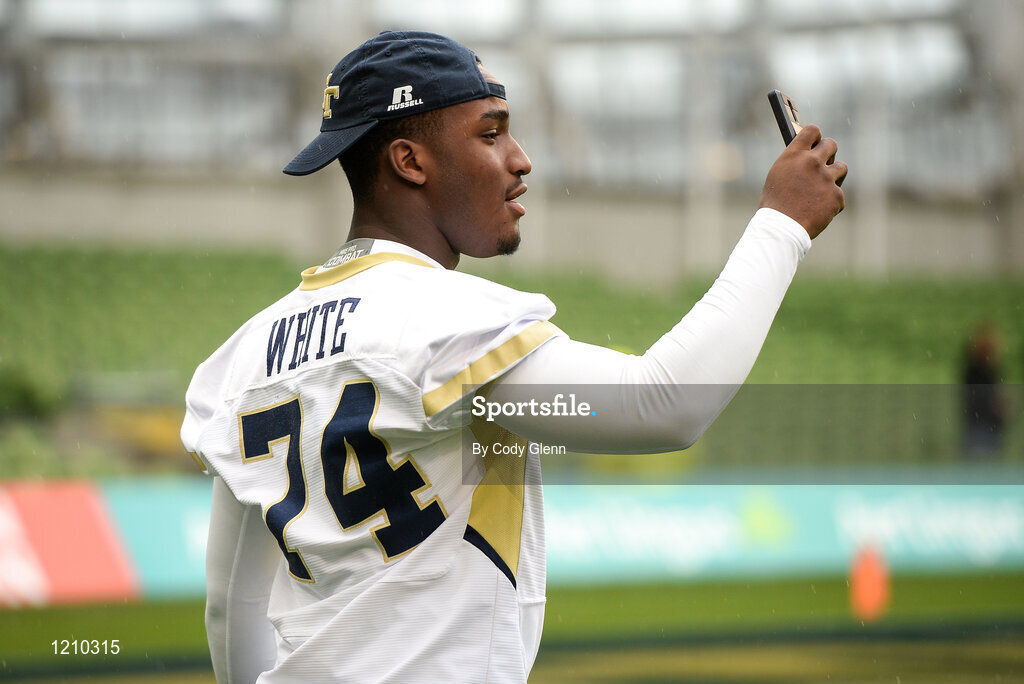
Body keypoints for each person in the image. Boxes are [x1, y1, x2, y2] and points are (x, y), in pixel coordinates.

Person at [181, 30, 847, 684]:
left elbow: (231, 602)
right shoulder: (444, 318)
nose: (521, 159)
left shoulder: (245, 350)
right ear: (410, 162)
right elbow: (663, 404)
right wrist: (781, 224)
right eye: (492, 133)